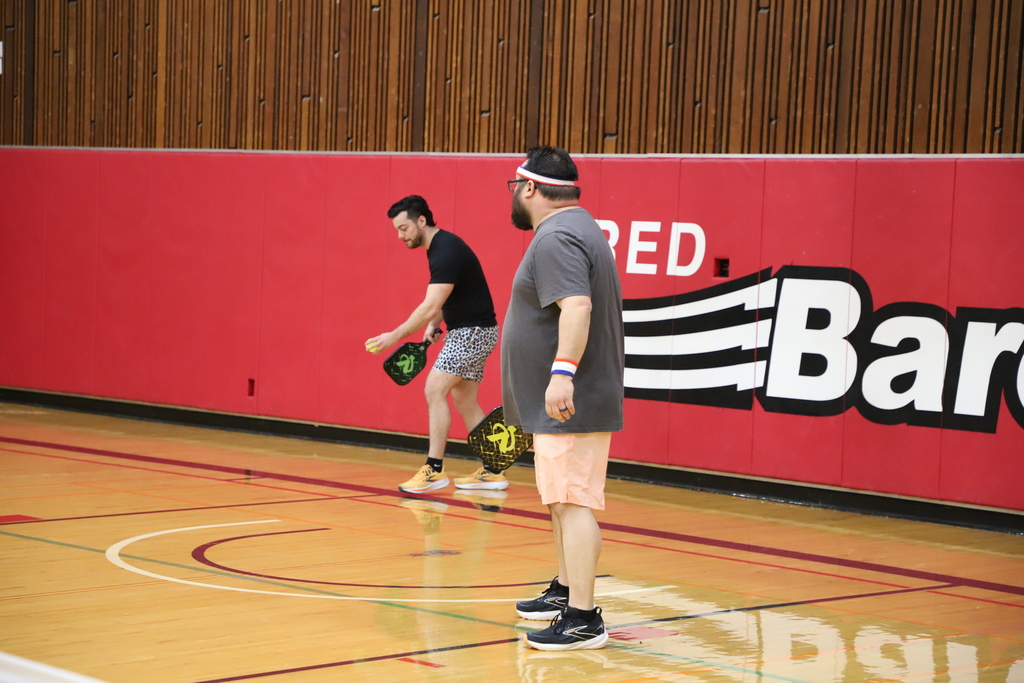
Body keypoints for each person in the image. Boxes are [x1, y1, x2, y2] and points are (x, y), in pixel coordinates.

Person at [500, 147, 624, 651]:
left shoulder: (556, 236)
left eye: (512, 184)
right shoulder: (577, 227)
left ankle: (582, 618)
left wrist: (562, 374)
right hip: (561, 405)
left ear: (529, 187)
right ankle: (567, 588)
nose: (510, 193)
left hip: (568, 402)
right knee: (560, 499)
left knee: (571, 501)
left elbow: (576, 306)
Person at [366, 195, 508, 494]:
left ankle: (434, 469)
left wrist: (394, 336)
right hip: (474, 330)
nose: (400, 235)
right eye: (397, 230)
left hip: (471, 333)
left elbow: (430, 305)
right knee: (465, 401)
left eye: (404, 228)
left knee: (434, 388)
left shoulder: (445, 252)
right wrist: (434, 325)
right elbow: (445, 300)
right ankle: (494, 470)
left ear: (421, 220)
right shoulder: (441, 248)